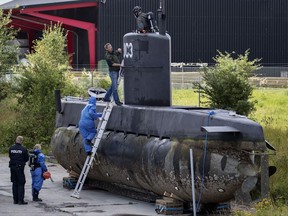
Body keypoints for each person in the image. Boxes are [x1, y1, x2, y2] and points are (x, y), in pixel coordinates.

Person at [8, 136, 29, 205]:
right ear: (21, 141)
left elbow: (10, 156)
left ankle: (15, 200)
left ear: (16, 140)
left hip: (12, 167)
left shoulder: (11, 148)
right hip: (19, 168)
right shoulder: (23, 149)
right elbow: (26, 158)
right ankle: (20, 200)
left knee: (14, 183)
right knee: (21, 183)